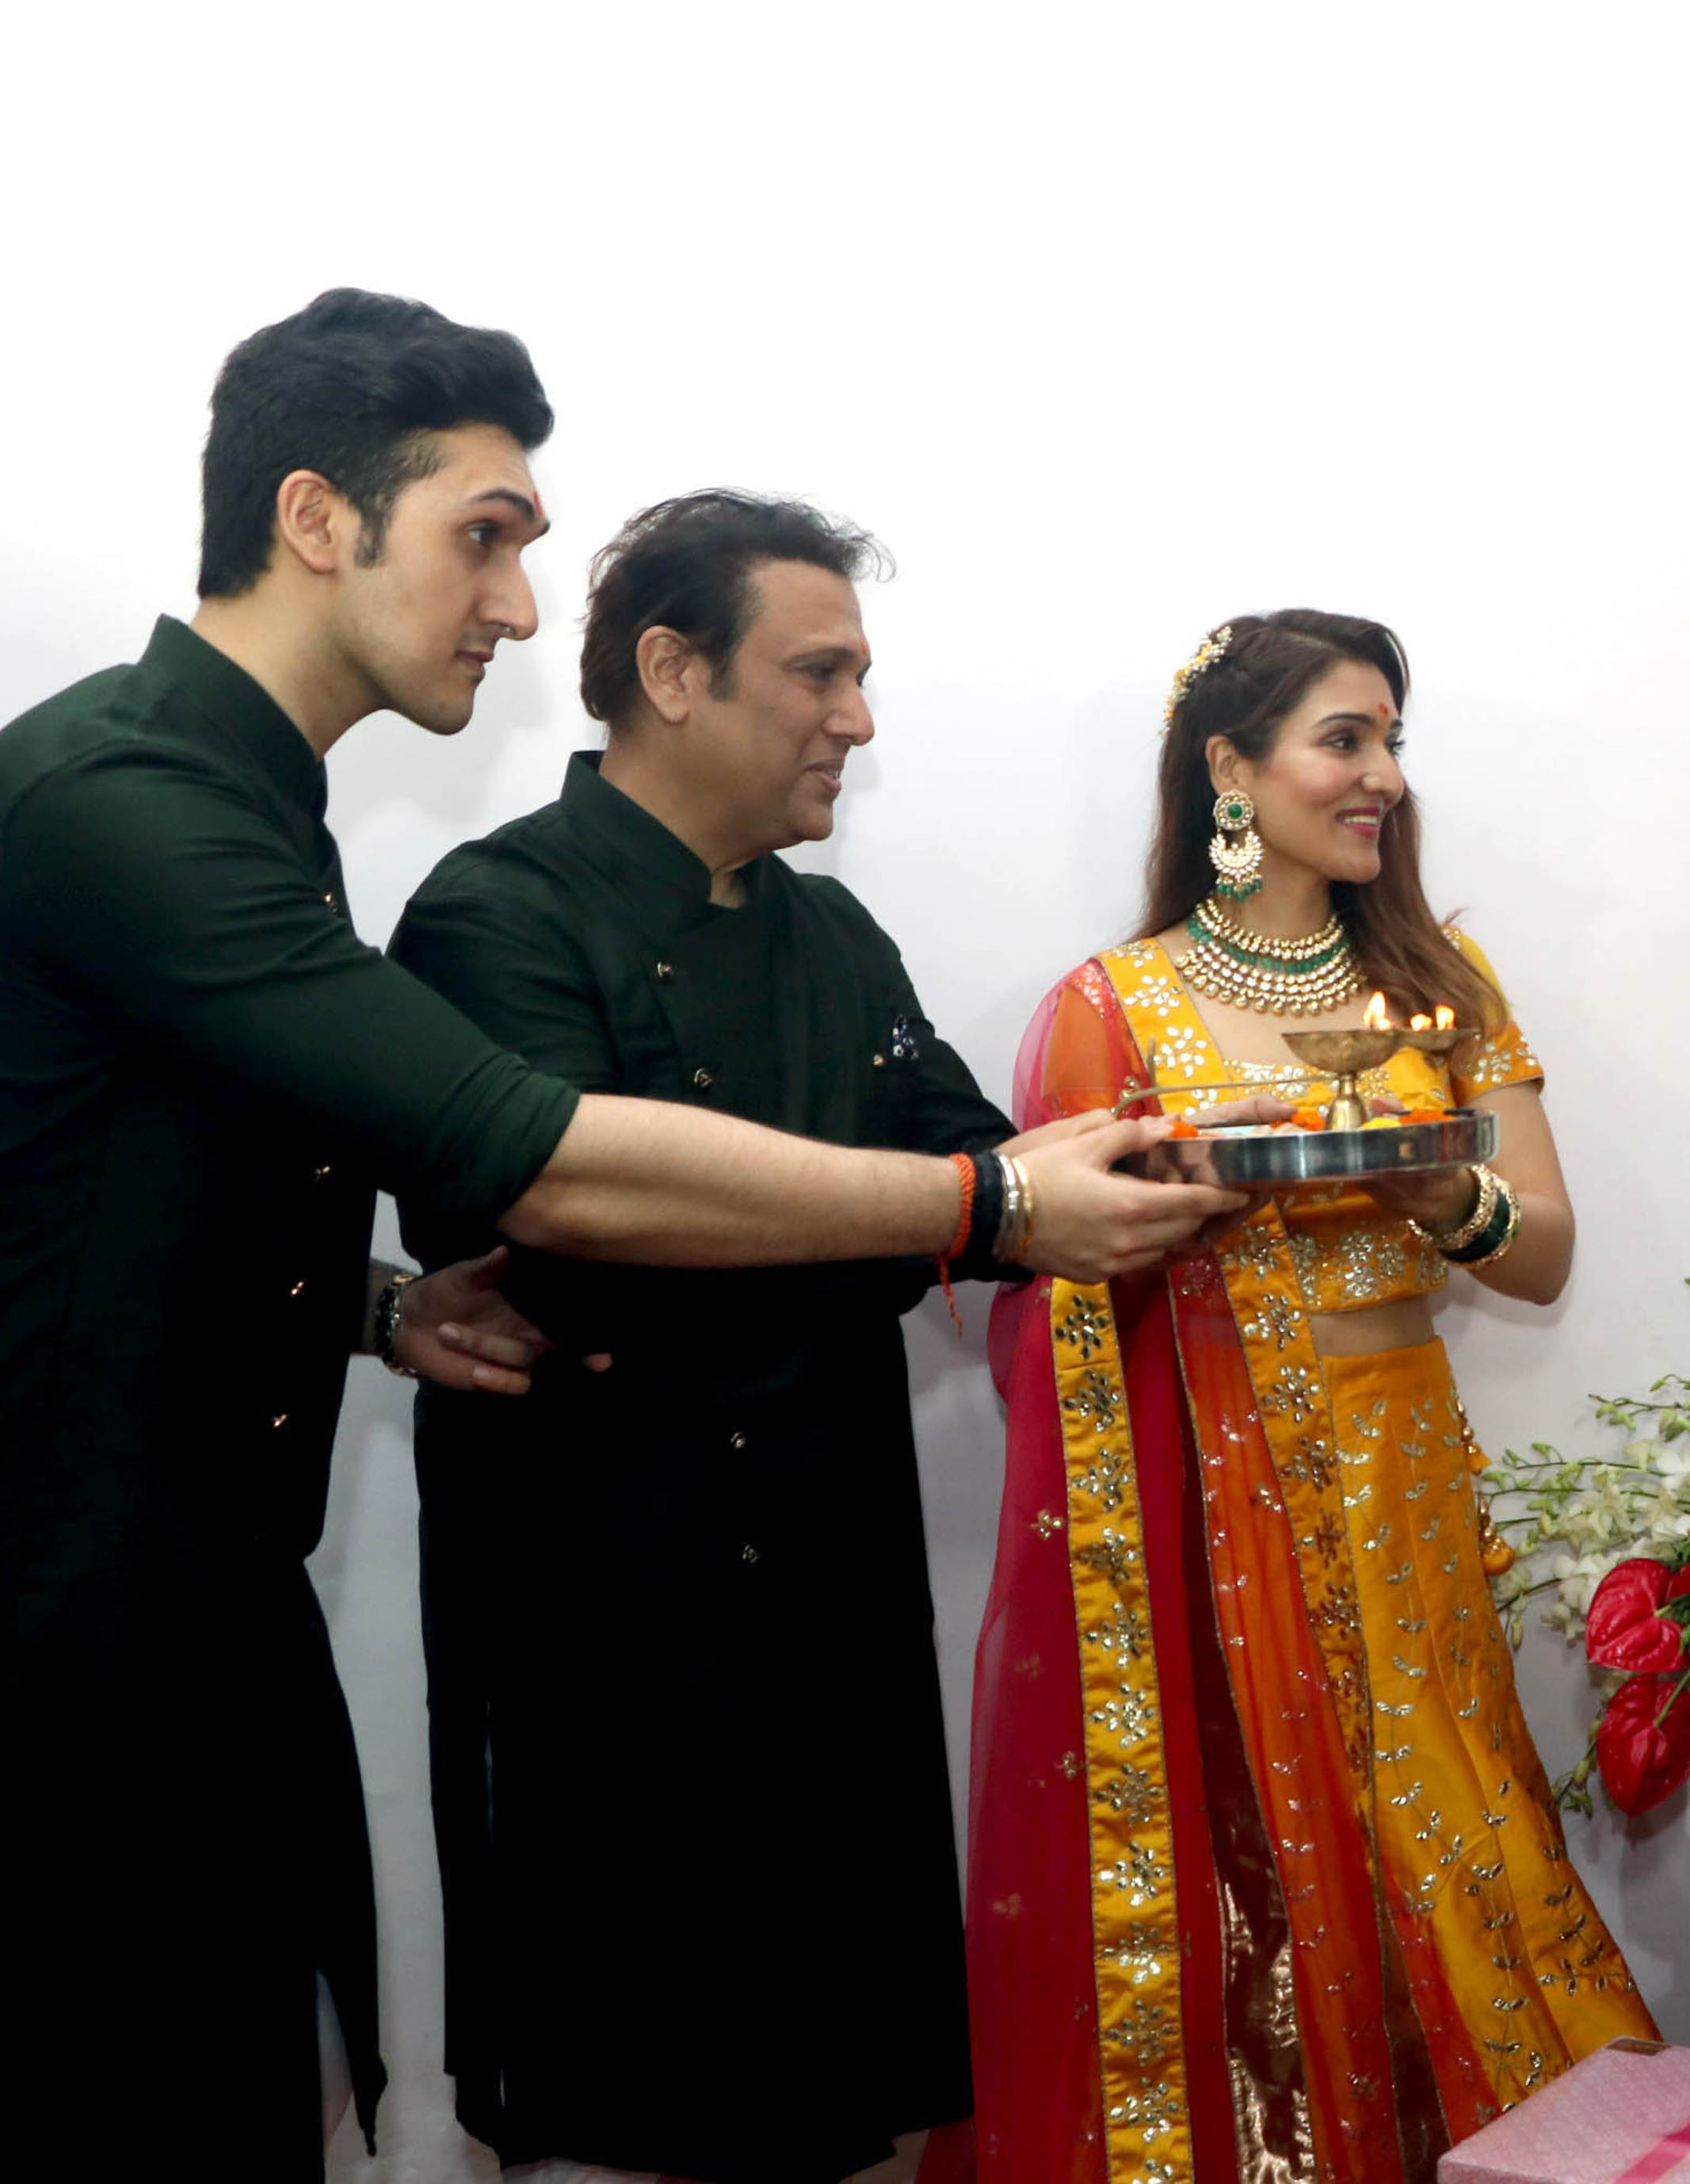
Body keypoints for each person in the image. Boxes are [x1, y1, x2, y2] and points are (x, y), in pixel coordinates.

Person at [0, 291, 1246, 2182]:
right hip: (78, 1641)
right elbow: (545, 1164)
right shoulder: (132, 798)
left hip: (211, 1625)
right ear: (320, 516)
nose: (515, 604)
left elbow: (103, 1175)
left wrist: (367, 1303)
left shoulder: (257, 804)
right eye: (484, 535)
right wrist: (985, 1203)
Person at [942, 613, 1654, 2184]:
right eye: (1346, 739)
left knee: (1450, 1831)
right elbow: (1054, 1273)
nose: (1383, 777)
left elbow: (1540, 1252)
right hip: (1213, 1514)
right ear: (1230, 767)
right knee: (1264, 1850)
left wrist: (1431, 1197)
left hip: (1402, 1494)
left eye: (1393, 741)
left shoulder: (1439, 982)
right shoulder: (1114, 1007)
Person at [387, 492, 1023, 2182]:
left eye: (862, 675)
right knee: (630, 2099)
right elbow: (585, 1238)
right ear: (672, 670)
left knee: (839, 2103)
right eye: (820, 672)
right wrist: (921, 1212)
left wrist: (1095, 1175)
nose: (859, 720)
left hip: (834, 1592)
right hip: (609, 1611)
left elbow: (974, 1166)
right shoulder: (493, 914)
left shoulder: (831, 931)